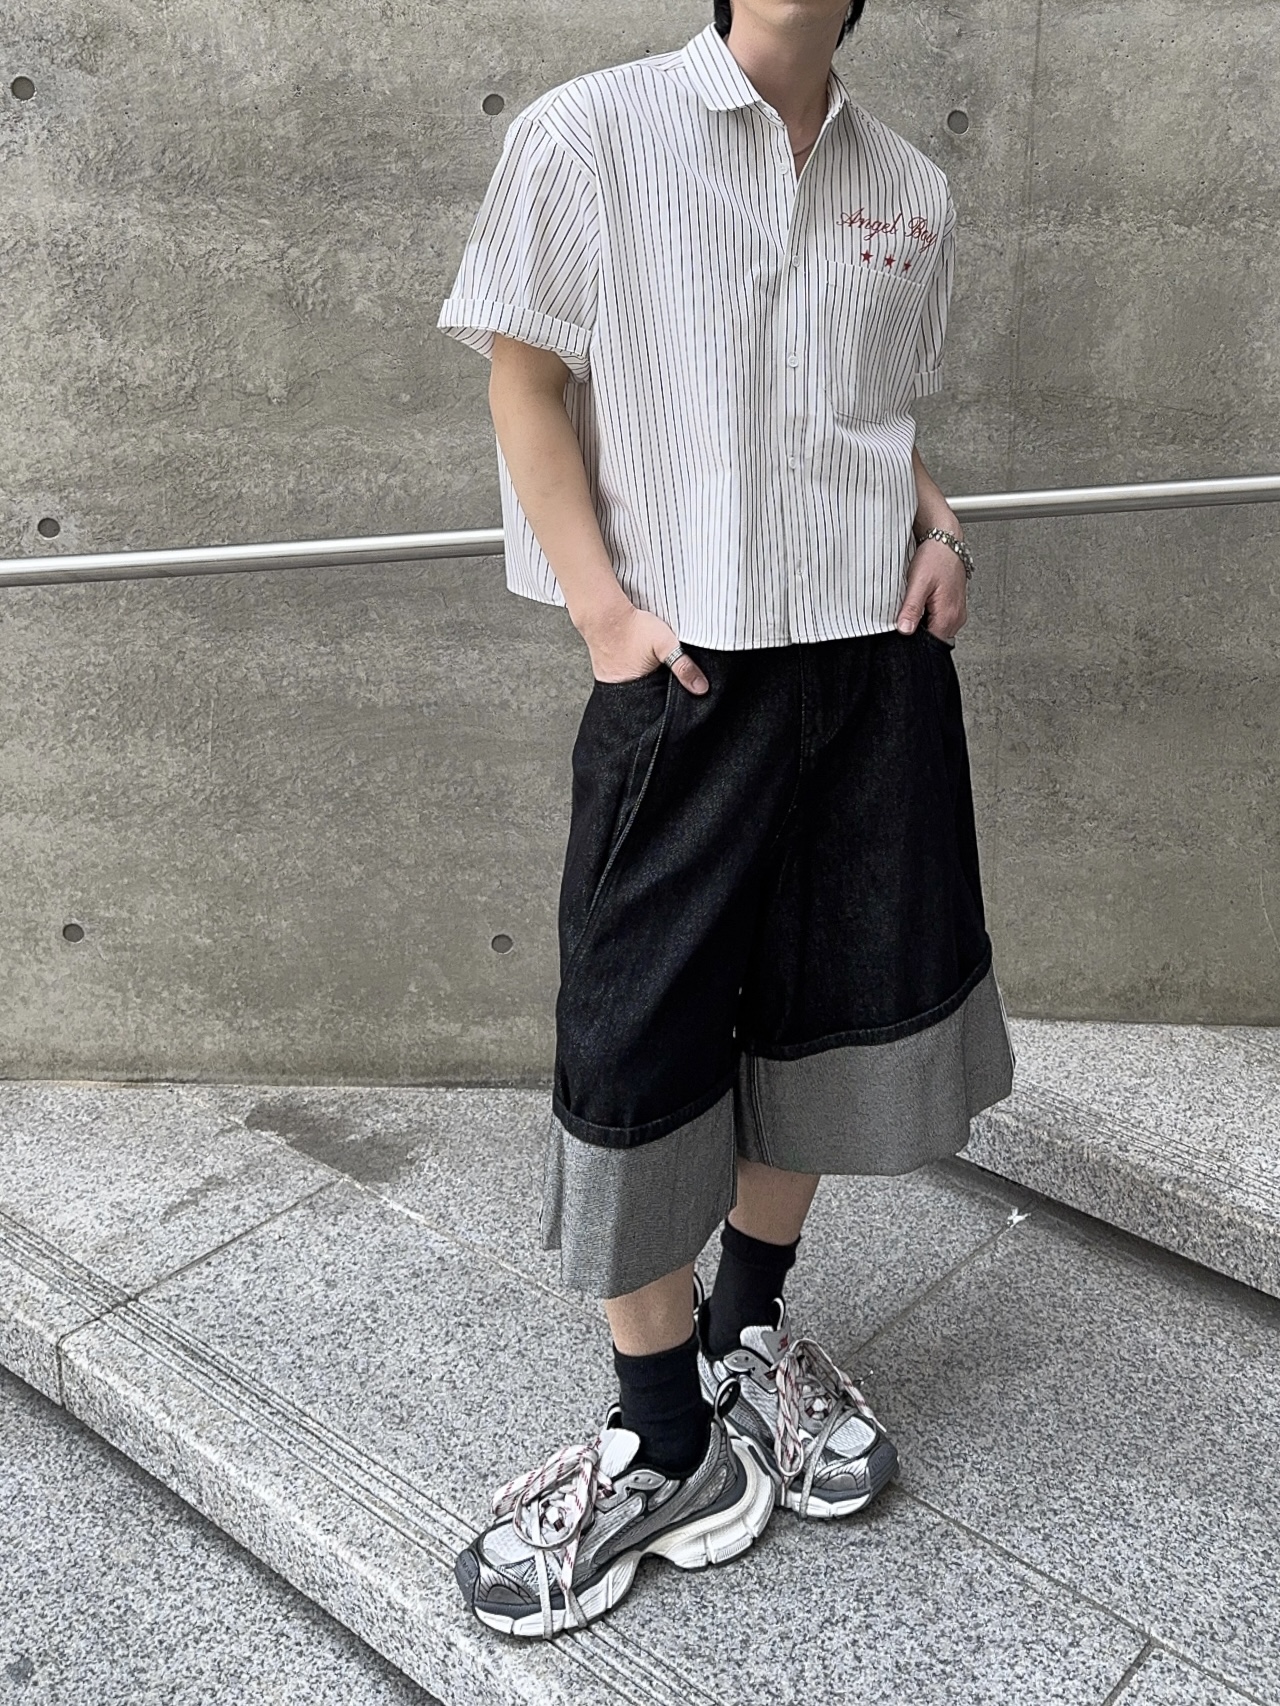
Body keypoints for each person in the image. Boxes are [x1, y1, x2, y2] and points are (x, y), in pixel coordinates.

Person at [437, 0, 1015, 1641]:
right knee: (632, 1031)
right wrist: (606, 616)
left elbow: (864, 412)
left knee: (828, 1008)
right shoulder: (589, 135)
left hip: (870, 663)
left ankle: (744, 1330)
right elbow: (526, 380)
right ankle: (663, 1432)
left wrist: (941, 524)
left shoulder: (908, 185)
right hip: (685, 670)